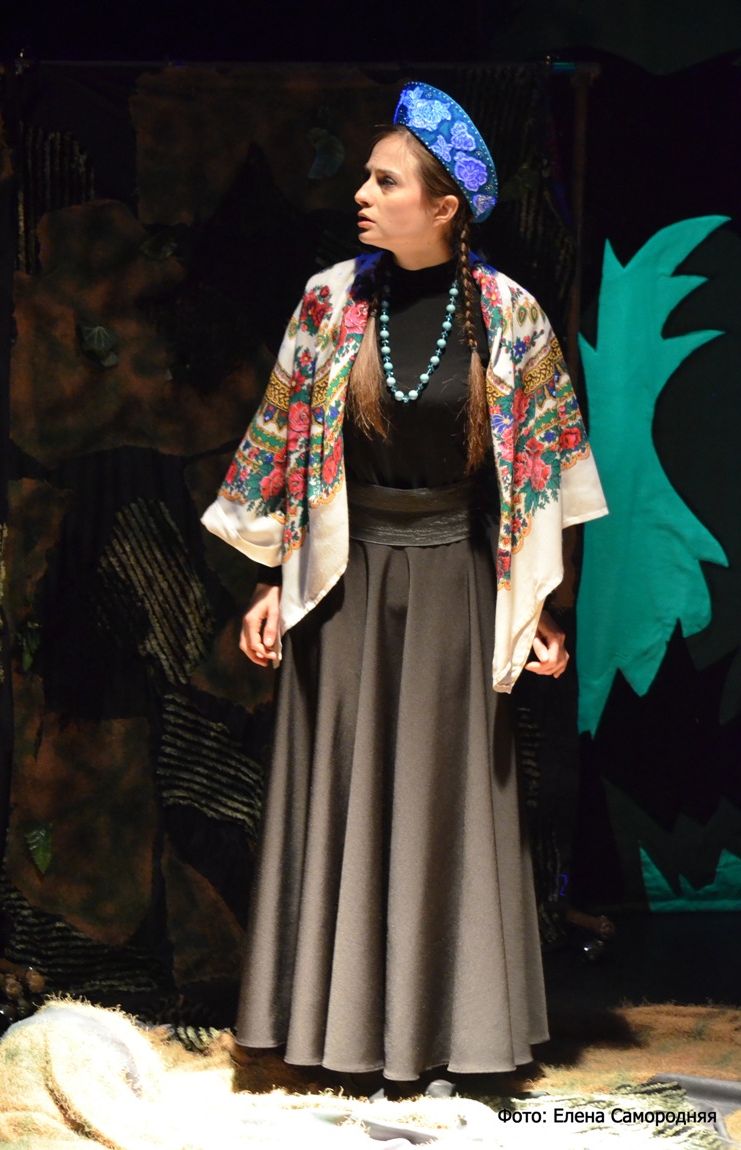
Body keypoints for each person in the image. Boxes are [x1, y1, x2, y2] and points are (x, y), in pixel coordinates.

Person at [202, 81, 607, 1085]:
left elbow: (551, 470)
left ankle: (452, 1032)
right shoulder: (331, 301)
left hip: (459, 585)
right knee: (342, 792)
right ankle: (330, 1028)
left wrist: (544, 609)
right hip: (346, 581)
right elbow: (282, 444)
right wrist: (273, 580)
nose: (363, 194)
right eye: (367, 177)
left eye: (387, 181)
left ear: (444, 206)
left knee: (445, 800)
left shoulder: (509, 317)